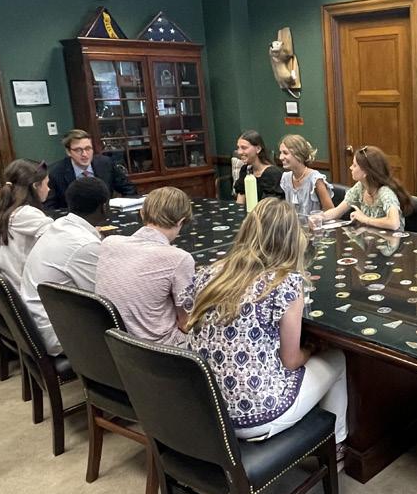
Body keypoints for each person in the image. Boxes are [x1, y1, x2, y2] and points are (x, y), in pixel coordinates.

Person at [182, 198, 348, 452]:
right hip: (256, 416)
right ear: (292, 240)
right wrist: (312, 349)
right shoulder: (284, 283)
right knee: (337, 358)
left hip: (206, 409)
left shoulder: (208, 273)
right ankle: (337, 448)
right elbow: (290, 361)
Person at [95, 187, 195, 346]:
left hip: (114, 345)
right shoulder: (179, 258)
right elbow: (186, 323)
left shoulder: (108, 243)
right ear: (180, 221)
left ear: (142, 213)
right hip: (160, 350)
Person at [22, 177, 110, 355]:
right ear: (104, 207)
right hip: (58, 334)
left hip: (37, 323)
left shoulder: (59, 226)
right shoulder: (85, 245)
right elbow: (105, 298)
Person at [0, 159, 53, 290]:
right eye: (47, 184)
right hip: (24, 289)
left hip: (11, 284)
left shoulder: (2, 209)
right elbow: (59, 238)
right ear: (35, 186)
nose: (49, 189)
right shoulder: (25, 214)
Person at [321, 146, 412, 231]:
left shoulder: (385, 192)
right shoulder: (360, 187)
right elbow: (337, 211)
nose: (350, 167)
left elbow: (394, 223)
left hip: (392, 241)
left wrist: (365, 219)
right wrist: (320, 217)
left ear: (365, 172)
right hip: (372, 238)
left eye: (354, 165)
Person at [44, 129, 136, 210]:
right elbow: (50, 207)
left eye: (88, 148)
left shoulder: (105, 164)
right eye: (78, 150)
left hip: (104, 214)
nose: (84, 154)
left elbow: (129, 189)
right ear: (68, 152)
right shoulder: (56, 172)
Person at [278, 134, 334, 216]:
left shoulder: (315, 179)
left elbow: (331, 211)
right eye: (280, 153)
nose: (281, 157)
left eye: (285, 153)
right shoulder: (285, 178)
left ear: (298, 155)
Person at [233, 130, 284, 208]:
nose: (239, 152)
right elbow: (240, 199)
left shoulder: (272, 173)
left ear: (258, 149)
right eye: (238, 148)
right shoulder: (245, 169)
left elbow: (269, 207)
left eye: (244, 148)